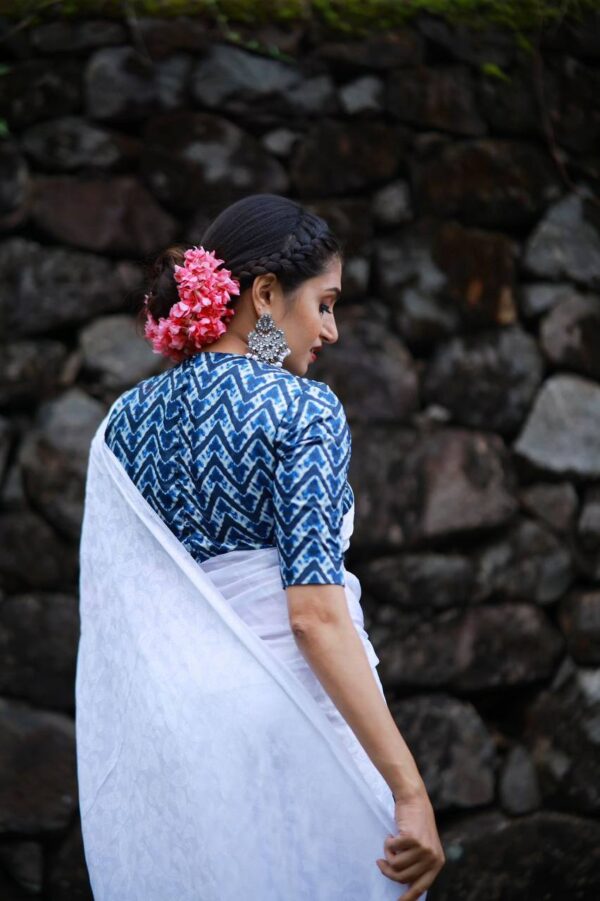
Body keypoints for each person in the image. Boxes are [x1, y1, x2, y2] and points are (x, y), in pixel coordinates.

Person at [75, 193, 445, 900]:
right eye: (326, 303)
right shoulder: (303, 411)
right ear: (267, 293)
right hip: (290, 726)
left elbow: (114, 612)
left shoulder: (121, 424)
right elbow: (314, 614)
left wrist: (275, 344)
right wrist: (411, 792)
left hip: (178, 739)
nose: (332, 329)